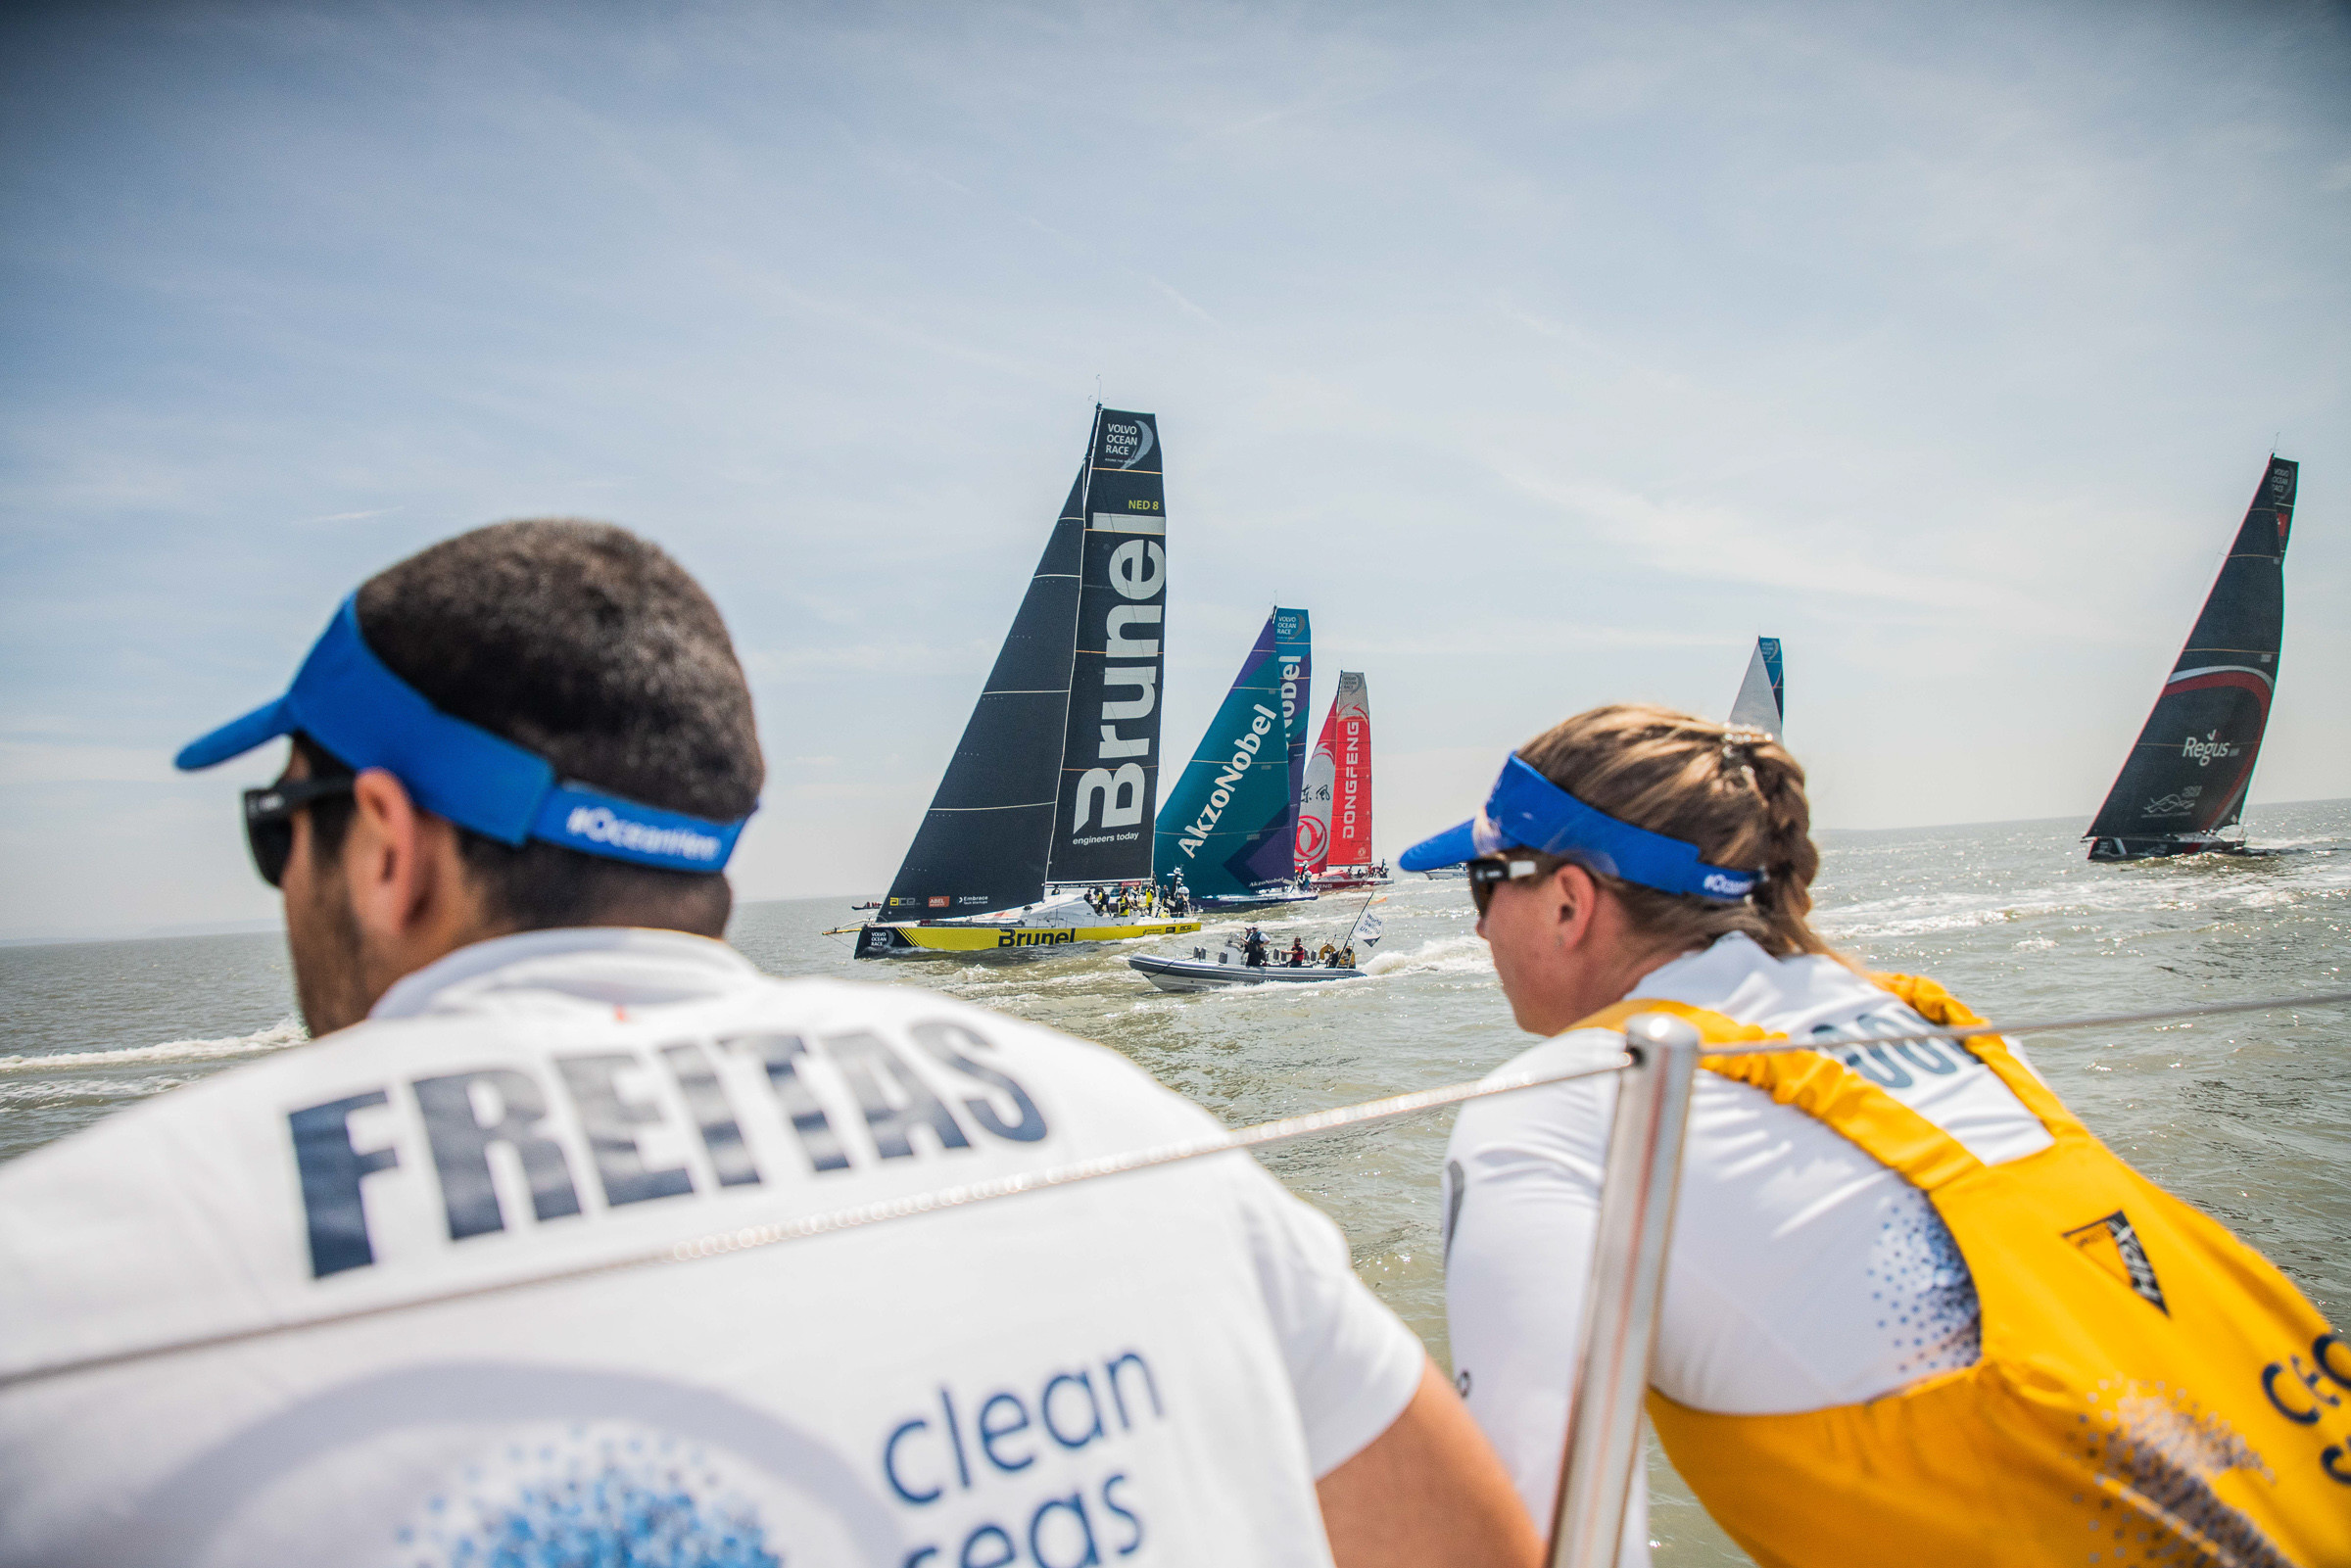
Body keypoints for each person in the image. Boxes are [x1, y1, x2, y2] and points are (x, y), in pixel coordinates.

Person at [0, 521, 1538, 1567]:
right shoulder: (1130, 1127)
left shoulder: (63, 1280)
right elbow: (1476, 1541)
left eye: (284, 828)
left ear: (387, 843)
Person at [1402, 704, 2347, 1568]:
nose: (1480, 926)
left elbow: (1539, 1545)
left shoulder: (1560, 1104)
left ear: (1570, 902)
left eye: (1486, 884)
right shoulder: (1942, 1027)